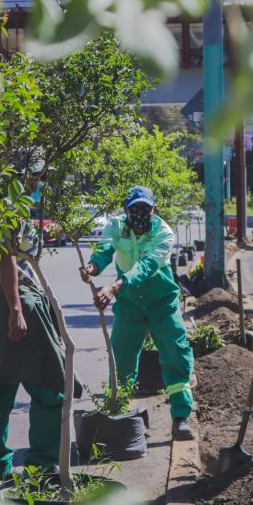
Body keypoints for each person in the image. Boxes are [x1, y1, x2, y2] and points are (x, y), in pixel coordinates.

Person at [79, 186, 195, 440]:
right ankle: (117, 415)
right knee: (121, 359)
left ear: (154, 210)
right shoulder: (115, 226)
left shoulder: (163, 232)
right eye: (135, 209)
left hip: (161, 303)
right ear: (126, 211)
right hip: (130, 305)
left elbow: (147, 266)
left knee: (175, 354)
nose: (140, 214)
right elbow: (104, 251)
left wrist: (114, 287)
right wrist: (92, 267)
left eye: (145, 209)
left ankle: (180, 418)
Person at [0, 220, 81, 488]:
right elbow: (6, 257)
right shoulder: (9, 210)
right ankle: (42, 466)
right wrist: (16, 310)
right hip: (21, 301)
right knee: (49, 387)